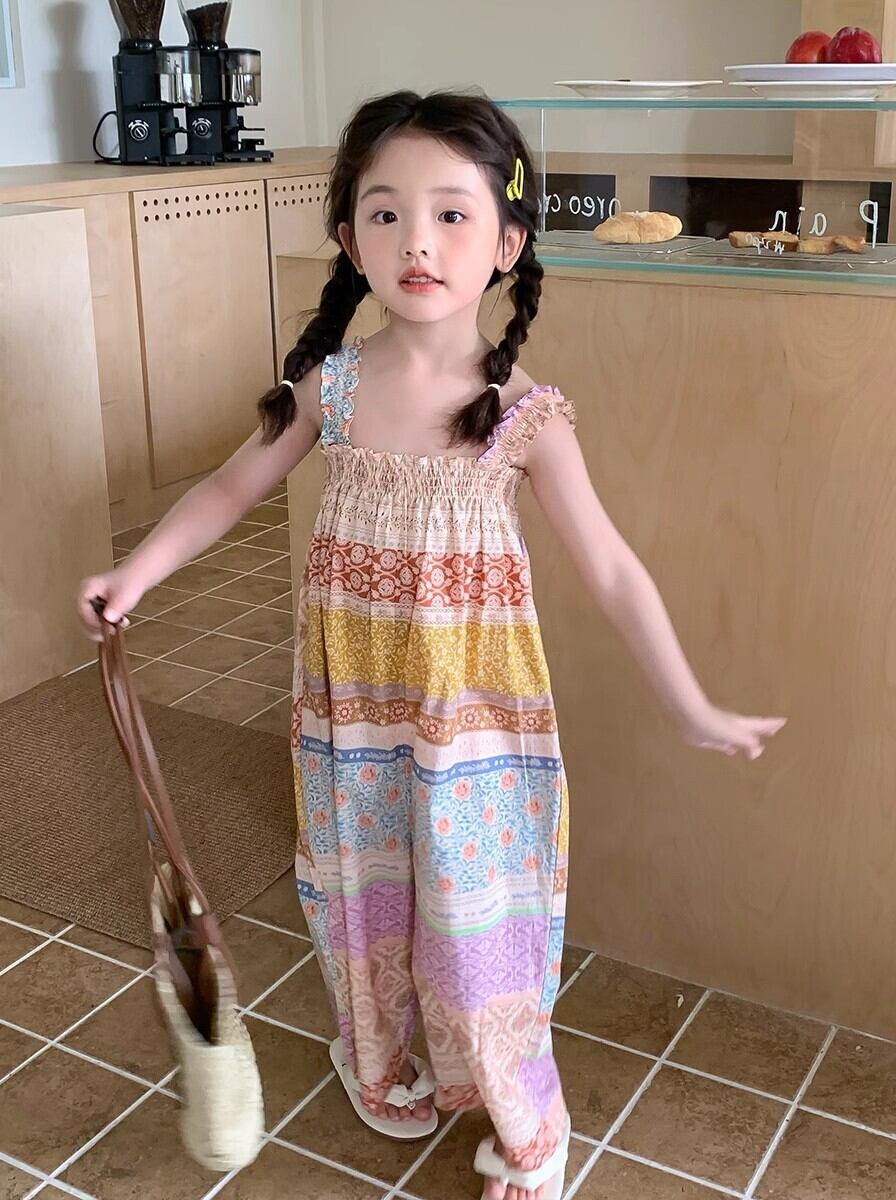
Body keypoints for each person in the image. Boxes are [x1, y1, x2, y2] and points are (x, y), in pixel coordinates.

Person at [78, 89, 785, 1200]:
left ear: (506, 243)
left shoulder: (524, 414)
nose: (418, 241)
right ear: (348, 238)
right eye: (386, 213)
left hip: (476, 723)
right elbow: (227, 488)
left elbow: (610, 567)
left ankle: (530, 1125)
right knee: (357, 889)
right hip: (349, 711)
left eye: (452, 214)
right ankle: (378, 1057)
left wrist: (689, 702)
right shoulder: (331, 387)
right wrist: (136, 574)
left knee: (475, 915)